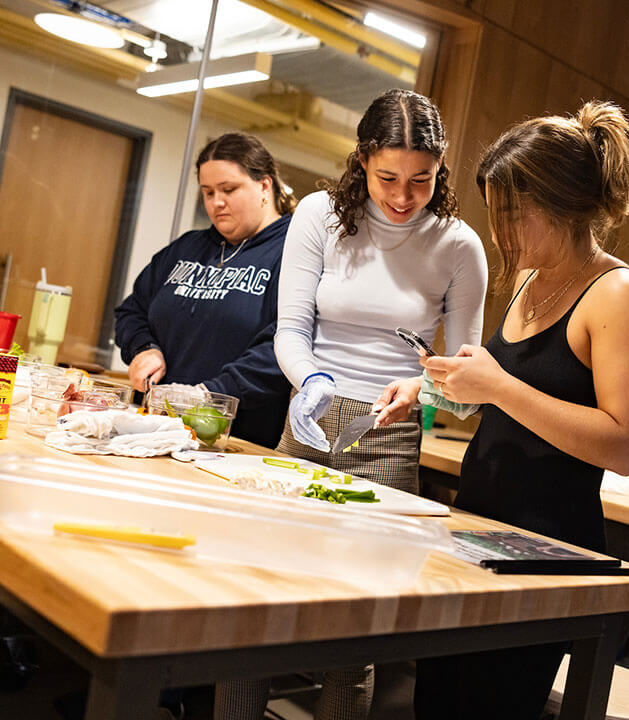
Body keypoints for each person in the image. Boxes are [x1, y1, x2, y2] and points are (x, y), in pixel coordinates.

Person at [216, 89, 488, 720]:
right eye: (388, 176)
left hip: (388, 434)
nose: (401, 196)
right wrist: (309, 378)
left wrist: (425, 388)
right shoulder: (319, 215)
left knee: (355, 631)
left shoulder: (458, 246)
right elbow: (290, 329)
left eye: (421, 180)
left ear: (441, 166)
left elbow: (471, 378)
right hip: (307, 419)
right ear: (363, 159)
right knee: (259, 600)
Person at [416, 100, 629, 720]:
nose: (500, 234)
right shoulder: (530, 279)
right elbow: (520, 405)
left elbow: (622, 445)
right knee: (435, 703)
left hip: (547, 546)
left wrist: (497, 386)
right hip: (478, 527)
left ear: (562, 206)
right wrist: (440, 390)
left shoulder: (619, 295)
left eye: (513, 215)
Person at [114, 132, 293, 448]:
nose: (216, 202)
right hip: (159, 429)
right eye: (208, 192)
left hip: (235, 441)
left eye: (229, 189)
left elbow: (286, 343)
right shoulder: (188, 247)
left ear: (265, 186)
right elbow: (132, 311)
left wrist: (211, 395)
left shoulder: (293, 252)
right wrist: (143, 347)